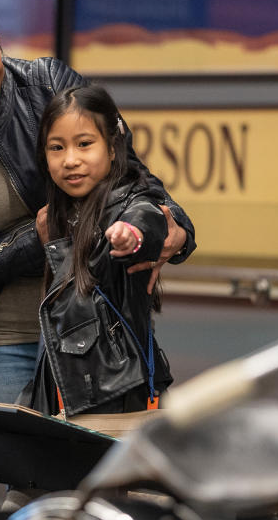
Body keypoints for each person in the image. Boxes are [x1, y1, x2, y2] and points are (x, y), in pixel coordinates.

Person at [0, 0, 195, 404]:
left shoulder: (47, 83)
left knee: (107, 464)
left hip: (99, 318)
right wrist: (33, 240)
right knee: (29, 466)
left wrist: (176, 228)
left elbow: (132, 176)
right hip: (8, 340)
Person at [27, 84, 173, 416]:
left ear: (112, 147)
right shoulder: (57, 214)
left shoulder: (129, 198)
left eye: (84, 144)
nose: (70, 160)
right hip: (71, 392)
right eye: (56, 147)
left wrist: (131, 235)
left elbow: (147, 217)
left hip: (117, 396)